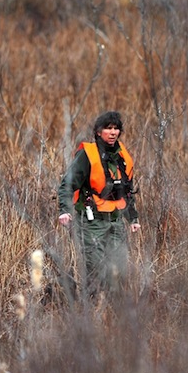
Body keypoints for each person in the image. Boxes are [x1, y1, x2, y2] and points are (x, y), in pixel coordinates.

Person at [57, 111, 141, 296]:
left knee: (119, 270)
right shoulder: (88, 155)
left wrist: (133, 218)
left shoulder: (122, 156)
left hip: (116, 221)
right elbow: (67, 184)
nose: (113, 132)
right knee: (95, 269)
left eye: (116, 128)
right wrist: (64, 210)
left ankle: (113, 315)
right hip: (91, 221)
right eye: (108, 128)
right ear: (98, 132)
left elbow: (127, 191)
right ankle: (90, 311)